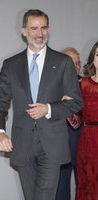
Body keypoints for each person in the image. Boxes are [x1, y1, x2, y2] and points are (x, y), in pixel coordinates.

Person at [0, 9, 83, 200]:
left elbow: (76, 102)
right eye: (34, 28)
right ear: (24, 31)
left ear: (48, 29)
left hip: (52, 145)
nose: (39, 34)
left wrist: (48, 109)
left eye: (43, 28)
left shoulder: (64, 62)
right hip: (22, 145)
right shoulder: (10, 65)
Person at [56, 47, 83, 200]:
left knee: (87, 182)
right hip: (60, 140)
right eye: (72, 62)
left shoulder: (86, 84)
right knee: (61, 185)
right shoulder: (52, 87)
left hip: (85, 140)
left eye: (78, 62)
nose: (76, 66)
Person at [76, 41, 98, 200]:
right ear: (93, 58)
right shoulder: (82, 84)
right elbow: (75, 119)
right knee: (88, 181)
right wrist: (64, 104)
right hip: (89, 141)